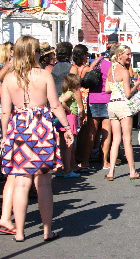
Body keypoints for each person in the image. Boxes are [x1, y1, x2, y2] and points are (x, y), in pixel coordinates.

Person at [1, 36, 72, 241]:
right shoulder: (43, 75)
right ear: (34, 53)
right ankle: (47, 230)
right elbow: (56, 105)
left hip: (19, 129)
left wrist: (5, 136)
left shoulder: (9, 78)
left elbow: (5, 111)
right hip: (41, 128)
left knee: (21, 183)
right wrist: (66, 127)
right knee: (44, 183)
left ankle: (20, 232)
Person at [104, 45, 140, 181]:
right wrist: (137, 84)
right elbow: (127, 94)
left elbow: (107, 89)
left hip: (112, 104)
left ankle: (111, 172)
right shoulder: (124, 71)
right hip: (123, 105)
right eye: (127, 54)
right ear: (119, 54)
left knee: (116, 140)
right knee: (127, 139)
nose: (129, 56)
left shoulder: (111, 69)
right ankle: (132, 171)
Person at [86, 43, 115, 170]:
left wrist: (98, 58)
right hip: (107, 99)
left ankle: (85, 161)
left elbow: (88, 73)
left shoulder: (99, 62)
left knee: (91, 132)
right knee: (106, 132)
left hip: (93, 98)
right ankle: (104, 162)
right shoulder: (113, 66)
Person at [56, 74, 83, 178]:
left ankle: (64, 168)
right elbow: (61, 101)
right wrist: (68, 109)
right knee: (69, 145)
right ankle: (67, 170)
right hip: (70, 118)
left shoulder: (65, 92)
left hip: (65, 119)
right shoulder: (70, 93)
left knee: (64, 145)